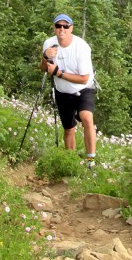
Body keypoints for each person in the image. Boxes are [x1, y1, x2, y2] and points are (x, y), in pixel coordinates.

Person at [39, 13, 97, 168]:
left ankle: (91, 160)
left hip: (83, 89)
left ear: (71, 28)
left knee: (87, 119)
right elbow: (43, 68)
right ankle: (71, 163)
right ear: (54, 28)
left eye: (66, 26)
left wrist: (59, 73)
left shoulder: (81, 47)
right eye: (58, 26)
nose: (62, 29)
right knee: (69, 129)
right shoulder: (49, 44)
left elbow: (84, 78)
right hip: (62, 92)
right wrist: (45, 57)